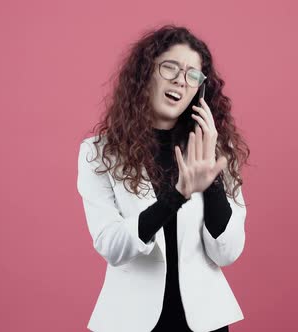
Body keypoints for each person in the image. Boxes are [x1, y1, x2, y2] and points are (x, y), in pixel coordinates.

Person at [77, 24, 250, 332]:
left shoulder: (217, 148)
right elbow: (112, 246)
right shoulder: (99, 153)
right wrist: (177, 195)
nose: (181, 81)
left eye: (193, 75)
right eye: (170, 68)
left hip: (205, 322)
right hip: (130, 322)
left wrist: (211, 176)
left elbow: (227, 251)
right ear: (146, 73)